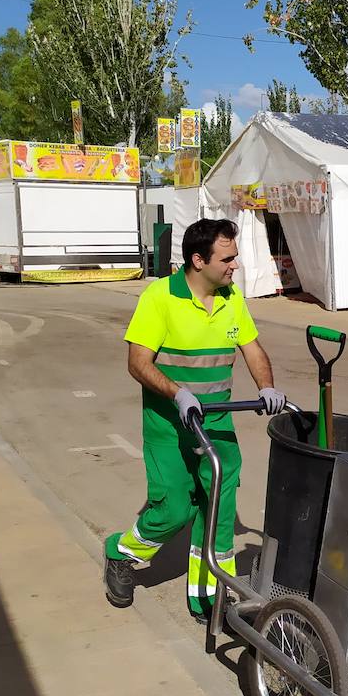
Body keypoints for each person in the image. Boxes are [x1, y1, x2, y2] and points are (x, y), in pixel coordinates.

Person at [104, 218, 287, 623]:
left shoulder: (230, 297)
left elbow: (252, 349)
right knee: (174, 511)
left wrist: (267, 387)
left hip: (216, 420)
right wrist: (178, 393)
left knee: (219, 505)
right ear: (197, 260)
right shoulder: (159, 297)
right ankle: (121, 551)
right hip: (169, 422)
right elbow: (138, 362)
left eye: (235, 257)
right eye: (227, 259)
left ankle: (210, 594)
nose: (234, 265)